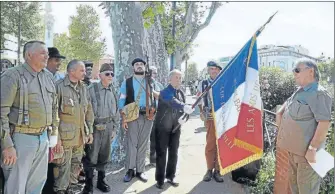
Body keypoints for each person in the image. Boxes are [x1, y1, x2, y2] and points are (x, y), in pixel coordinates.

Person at [0, 40, 59, 193]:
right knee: (16, 187)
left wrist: (53, 135)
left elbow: (54, 107)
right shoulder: (12, 76)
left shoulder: (47, 77)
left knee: (37, 186)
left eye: (47, 53)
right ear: (28, 55)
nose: (47, 56)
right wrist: (7, 145)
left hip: (43, 138)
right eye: (42, 53)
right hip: (20, 138)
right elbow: (1, 113)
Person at [276, 58, 332, 194]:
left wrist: (312, 149)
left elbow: (324, 123)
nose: (294, 73)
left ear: (310, 71)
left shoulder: (319, 93)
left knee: (307, 190)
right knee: (295, 188)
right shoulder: (300, 91)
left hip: (306, 156)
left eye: (297, 70)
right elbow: (285, 110)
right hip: (292, 152)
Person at [53, 60, 94, 194]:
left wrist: (89, 132)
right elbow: (53, 114)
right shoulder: (59, 87)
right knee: (62, 166)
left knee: (76, 164)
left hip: (80, 136)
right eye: (81, 70)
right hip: (64, 137)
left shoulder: (83, 87)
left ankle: (71, 188)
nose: (85, 72)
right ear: (72, 71)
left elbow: (88, 111)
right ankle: (60, 190)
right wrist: (56, 138)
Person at [119, 58, 159, 183]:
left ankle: (140, 171)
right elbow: (121, 100)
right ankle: (130, 170)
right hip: (132, 116)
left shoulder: (151, 81)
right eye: (137, 64)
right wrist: (124, 118)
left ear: (144, 67)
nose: (139, 66)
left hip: (148, 116)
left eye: (141, 64)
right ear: (133, 68)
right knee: (132, 144)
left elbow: (158, 95)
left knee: (143, 143)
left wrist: (155, 108)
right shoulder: (127, 82)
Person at [82, 63, 119, 194]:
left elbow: (116, 111)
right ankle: (88, 185)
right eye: (107, 74)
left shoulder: (113, 90)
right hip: (94, 127)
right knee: (91, 156)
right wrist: (88, 131)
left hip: (108, 127)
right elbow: (85, 110)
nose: (110, 76)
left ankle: (101, 181)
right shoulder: (91, 89)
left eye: (112, 74)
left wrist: (115, 128)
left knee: (105, 155)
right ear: (100, 75)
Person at [154, 69, 194, 189]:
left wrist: (185, 117)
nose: (179, 80)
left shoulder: (181, 93)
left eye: (180, 78)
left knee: (174, 152)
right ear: (169, 79)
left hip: (176, 127)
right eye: (177, 77)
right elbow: (172, 101)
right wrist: (184, 106)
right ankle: (160, 180)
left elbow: (184, 110)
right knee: (161, 153)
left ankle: (170, 176)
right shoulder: (165, 92)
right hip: (163, 127)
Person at [43, 47, 66, 194]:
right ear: (48, 60)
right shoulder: (40, 76)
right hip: (40, 128)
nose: (59, 63)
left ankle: (50, 188)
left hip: (55, 127)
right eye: (56, 60)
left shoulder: (59, 79)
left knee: (52, 161)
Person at [197, 61, 224, 183]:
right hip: (210, 117)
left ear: (219, 70)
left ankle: (218, 170)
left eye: (215, 69)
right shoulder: (203, 83)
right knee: (210, 143)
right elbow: (198, 99)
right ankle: (209, 169)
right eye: (211, 69)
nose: (213, 71)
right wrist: (201, 112)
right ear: (208, 70)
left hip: (222, 117)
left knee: (221, 144)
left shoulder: (224, 82)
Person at [149, 65, 164, 165]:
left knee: (156, 138)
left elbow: (162, 97)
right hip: (146, 115)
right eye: (151, 72)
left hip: (158, 114)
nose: (152, 74)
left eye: (154, 72)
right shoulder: (143, 84)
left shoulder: (159, 85)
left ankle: (154, 159)